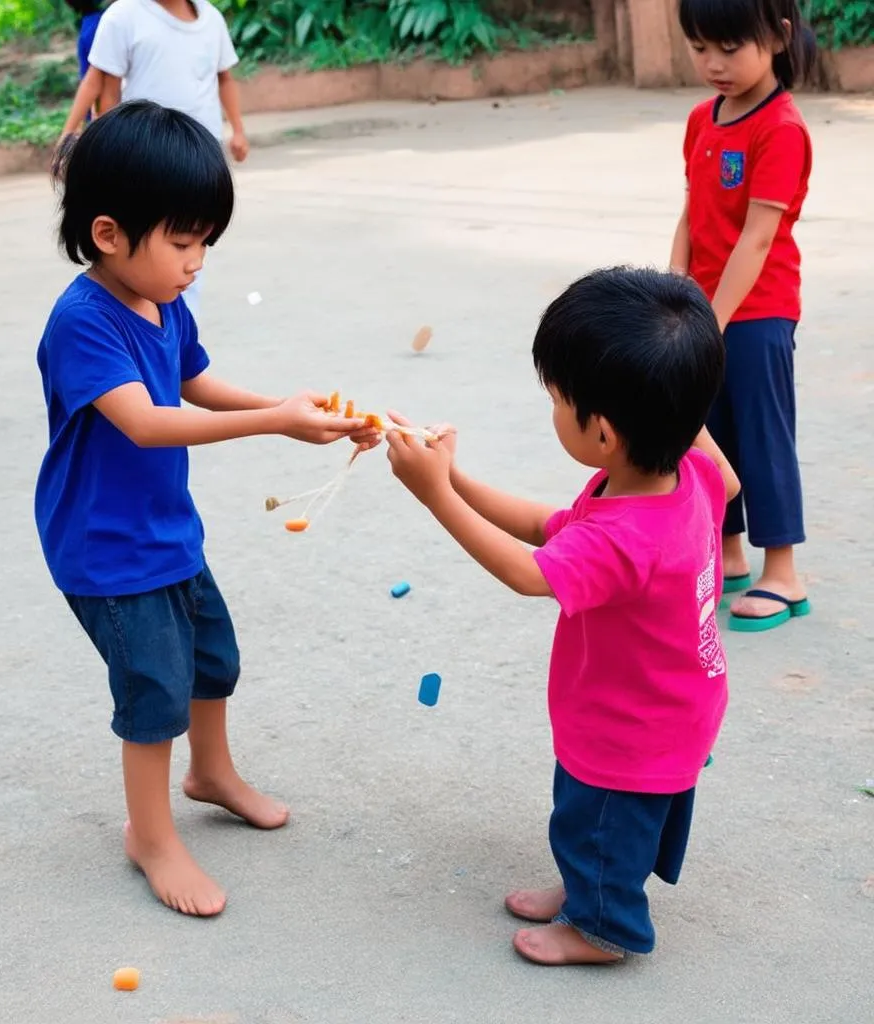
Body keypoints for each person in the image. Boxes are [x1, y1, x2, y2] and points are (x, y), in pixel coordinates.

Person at [36, 100, 373, 916]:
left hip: (165, 532)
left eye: (205, 245)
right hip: (107, 549)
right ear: (110, 235)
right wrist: (275, 422)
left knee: (212, 659)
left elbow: (193, 382)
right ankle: (150, 836)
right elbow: (148, 424)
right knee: (153, 688)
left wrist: (290, 410)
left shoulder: (162, 299)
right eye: (183, 243)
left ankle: (211, 773)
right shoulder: (84, 322)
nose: (196, 262)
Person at [384, 267, 739, 965]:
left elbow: (527, 570)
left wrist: (433, 496)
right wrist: (453, 477)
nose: (551, 409)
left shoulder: (624, 539)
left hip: (630, 722)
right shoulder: (685, 476)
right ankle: (589, 886)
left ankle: (603, 928)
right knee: (596, 818)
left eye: (557, 400)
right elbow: (551, 528)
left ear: (604, 433)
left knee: (600, 818)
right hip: (670, 699)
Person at [671, 0, 815, 632]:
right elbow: (691, 214)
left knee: (760, 438)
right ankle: (725, 555)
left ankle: (781, 570)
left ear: (779, 38)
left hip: (757, 315)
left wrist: (713, 320)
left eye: (730, 47)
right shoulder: (702, 118)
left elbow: (756, 240)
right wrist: (674, 296)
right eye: (701, 47)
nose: (713, 63)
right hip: (704, 312)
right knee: (705, 434)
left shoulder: (781, 128)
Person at [53, 0, 249, 323]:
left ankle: (178, 340)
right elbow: (102, 85)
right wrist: (77, 135)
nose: (198, 260)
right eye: (186, 245)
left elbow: (225, 77)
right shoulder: (124, 16)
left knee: (178, 258)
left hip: (198, 156)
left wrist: (238, 129)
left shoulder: (210, 19)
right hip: (145, 162)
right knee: (158, 249)